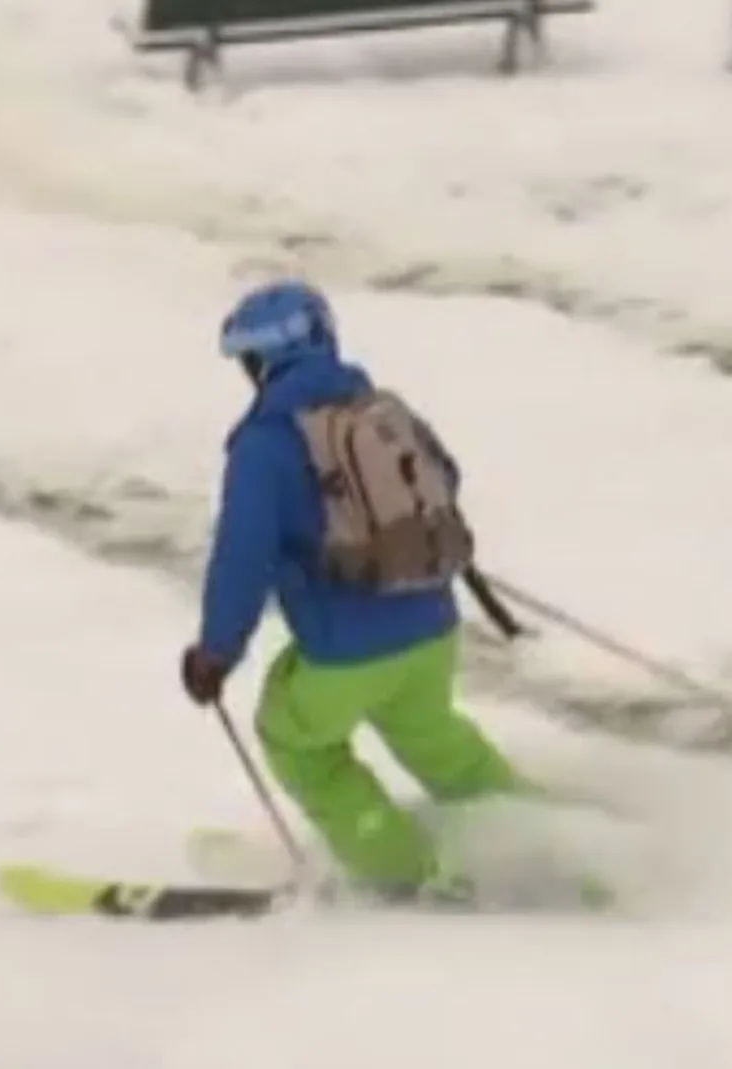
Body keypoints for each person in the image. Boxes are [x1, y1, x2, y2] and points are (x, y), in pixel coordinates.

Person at [177, 278, 520, 905]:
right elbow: (445, 479)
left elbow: (242, 556)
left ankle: (402, 874)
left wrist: (216, 651)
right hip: (433, 628)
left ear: (261, 363)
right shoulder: (382, 411)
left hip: (348, 651)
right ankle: (543, 844)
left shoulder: (266, 444)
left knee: (295, 738)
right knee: (437, 741)